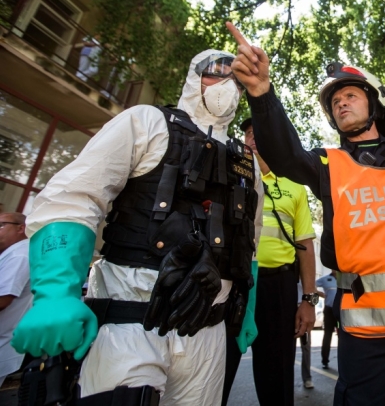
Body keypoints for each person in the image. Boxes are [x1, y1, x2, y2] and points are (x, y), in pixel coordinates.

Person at [227, 22, 385, 406]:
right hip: (365, 323)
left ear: (374, 103)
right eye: (335, 103)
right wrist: (262, 94)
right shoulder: (326, 164)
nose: (341, 103)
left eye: (350, 95)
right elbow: (283, 154)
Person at [12, 50, 263, 406]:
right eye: (216, 73)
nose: (227, 85)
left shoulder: (247, 164)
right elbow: (74, 198)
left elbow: (249, 242)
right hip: (130, 322)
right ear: (195, 76)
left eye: (236, 79)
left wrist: (247, 309)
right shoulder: (145, 122)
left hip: (208, 333)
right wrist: (55, 292)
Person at [222, 118, 317, 406]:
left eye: (259, 131)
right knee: (217, 369)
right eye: (248, 133)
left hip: (278, 287)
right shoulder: (226, 178)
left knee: (277, 374)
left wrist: (308, 300)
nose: (252, 137)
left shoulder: (295, 187)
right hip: (230, 284)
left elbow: (305, 246)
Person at [0, 213, 31, 387]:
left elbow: (3, 300)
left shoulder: (20, 255)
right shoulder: (12, 252)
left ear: (21, 228)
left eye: (1, 225)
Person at [315, 272, 338, 369]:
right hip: (329, 311)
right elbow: (311, 285)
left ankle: (345, 360)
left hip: (341, 311)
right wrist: (319, 293)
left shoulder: (346, 278)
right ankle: (325, 360)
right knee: (327, 335)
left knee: (343, 336)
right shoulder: (325, 279)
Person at [298, 281, 314, 390]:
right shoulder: (289, 272)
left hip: (303, 310)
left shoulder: (306, 277)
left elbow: (313, 291)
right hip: (288, 309)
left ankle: (307, 378)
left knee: (306, 347)